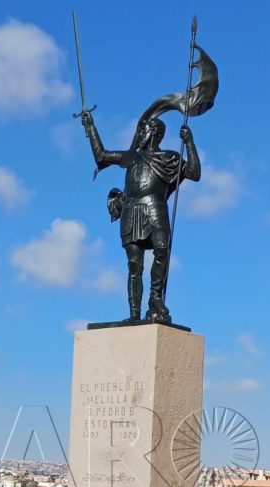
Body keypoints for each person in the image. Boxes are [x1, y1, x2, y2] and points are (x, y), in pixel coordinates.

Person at [80, 110, 200, 326]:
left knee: (162, 250)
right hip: (132, 211)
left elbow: (194, 172)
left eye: (143, 130)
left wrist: (189, 142)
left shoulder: (169, 158)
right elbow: (102, 156)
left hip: (155, 208)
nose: (139, 134)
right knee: (134, 266)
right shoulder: (131, 157)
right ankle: (134, 313)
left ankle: (155, 298)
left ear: (153, 133)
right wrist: (91, 128)